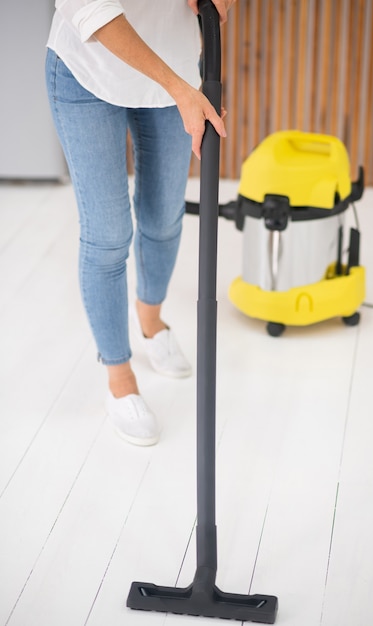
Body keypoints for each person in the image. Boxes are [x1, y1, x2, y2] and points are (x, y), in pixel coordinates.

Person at [45, 0, 235, 447]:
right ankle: (120, 377)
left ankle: (151, 322)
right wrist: (181, 88)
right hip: (87, 73)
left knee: (164, 218)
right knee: (108, 236)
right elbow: (89, 8)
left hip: (176, 70)